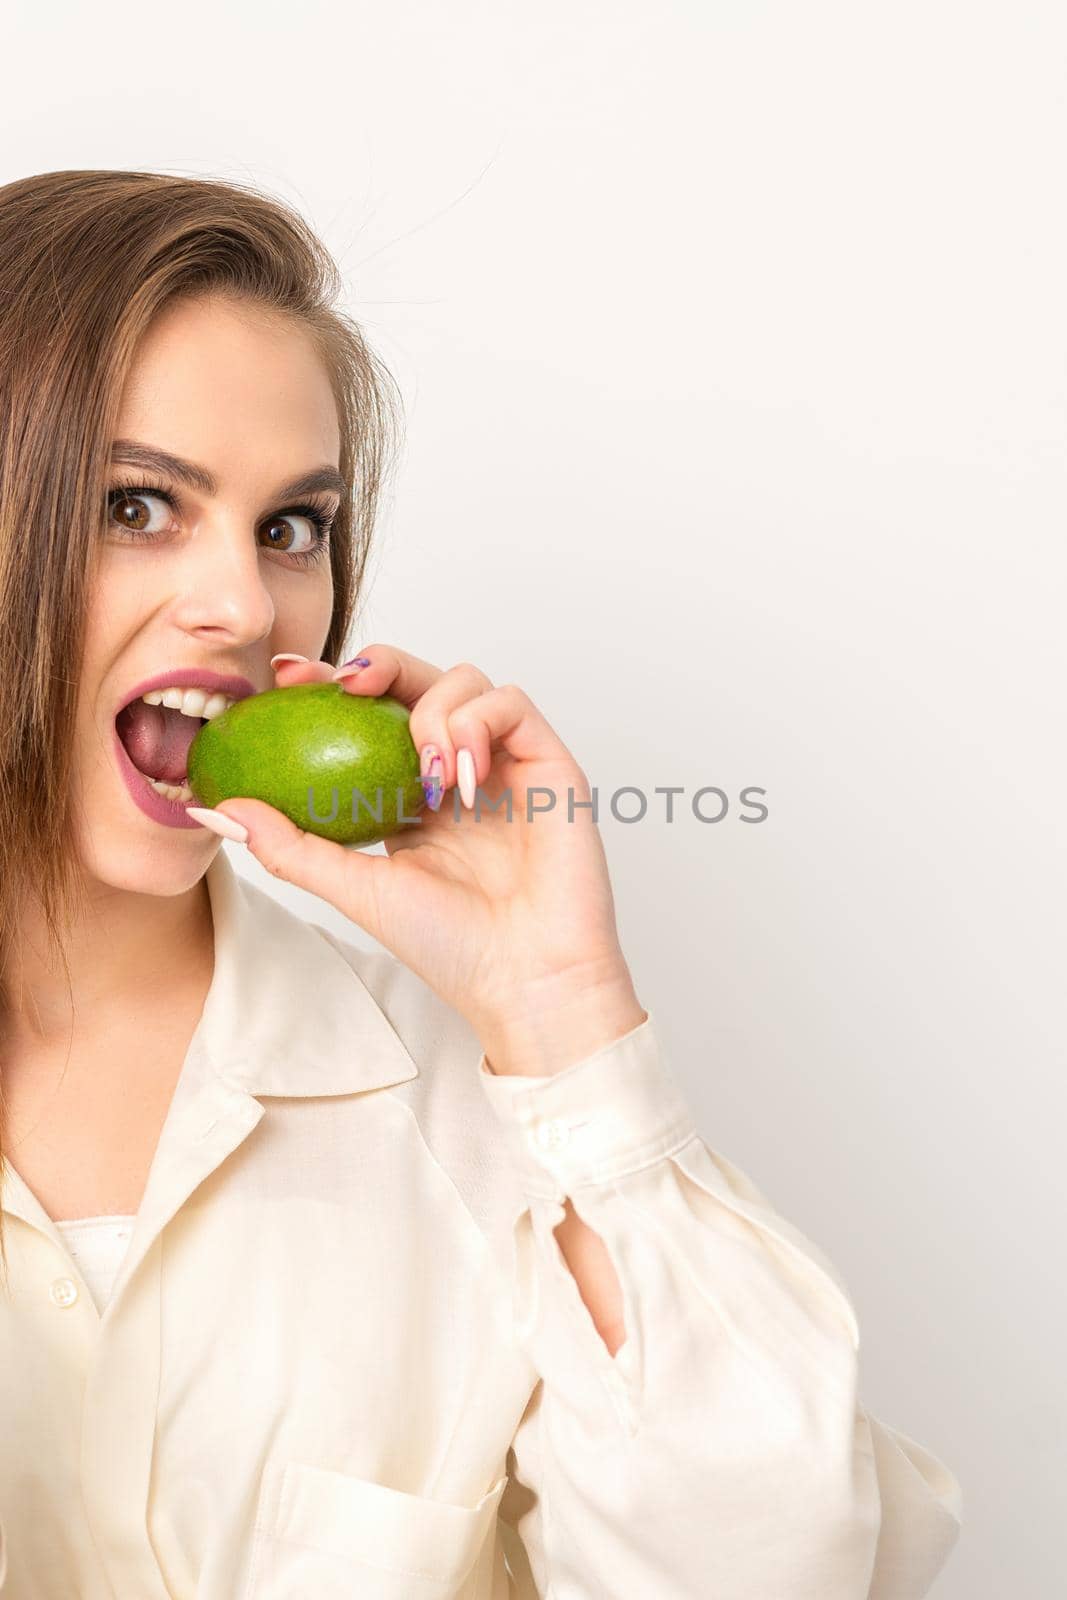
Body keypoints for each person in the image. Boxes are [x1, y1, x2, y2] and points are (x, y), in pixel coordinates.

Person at [0, 169, 962, 1600]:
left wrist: (562, 1012)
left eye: (289, 528)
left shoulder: (480, 1119)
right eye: (137, 504)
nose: (249, 605)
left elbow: (780, 1571)